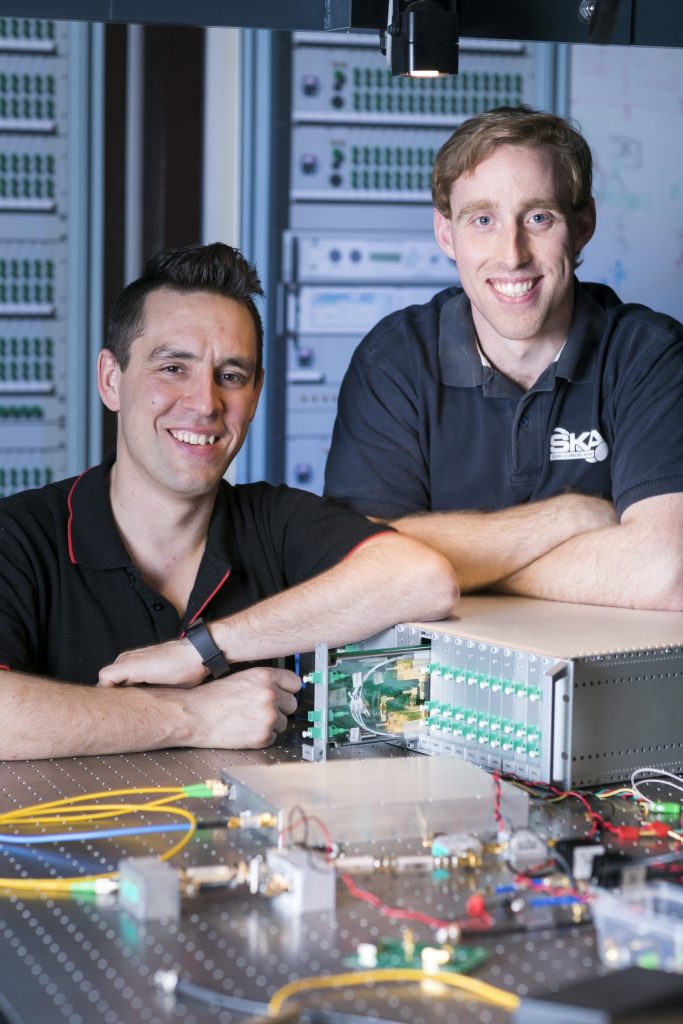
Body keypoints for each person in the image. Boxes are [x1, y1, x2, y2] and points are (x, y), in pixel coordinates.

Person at [0, 243, 459, 761]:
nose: (205, 403)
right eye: (174, 368)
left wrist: (203, 648)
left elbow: (424, 579)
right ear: (112, 380)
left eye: (232, 376)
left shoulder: (275, 522)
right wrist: (196, 714)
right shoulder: (19, 537)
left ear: (256, 394)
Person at [324, 105, 683, 611]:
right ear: (446, 234)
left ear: (582, 226)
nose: (512, 253)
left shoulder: (651, 356)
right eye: (483, 219)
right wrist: (567, 519)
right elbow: (355, 562)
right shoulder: (395, 361)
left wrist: (460, 567)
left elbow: (666, 572)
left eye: (538, 217)